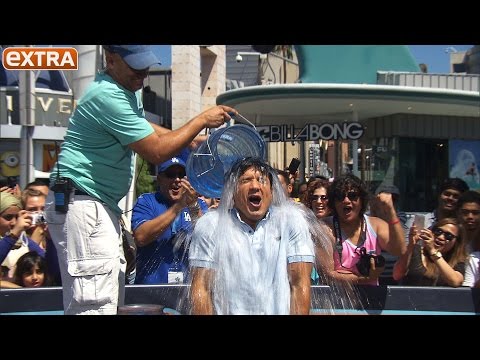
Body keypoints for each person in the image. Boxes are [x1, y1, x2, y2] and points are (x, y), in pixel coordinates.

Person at [44, 45, 237, 315]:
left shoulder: (124, 91)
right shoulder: (107, 95)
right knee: (95, 306)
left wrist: (190, 139)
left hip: (92, 203)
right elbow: (155, 150)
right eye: (136, 65)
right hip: (84, 203)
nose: (143, 73)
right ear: (110, 60)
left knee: (105, 301)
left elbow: (143, 126)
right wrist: (200, 119)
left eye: (146, 64)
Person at [189, 157, 315, 315]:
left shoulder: (291, 221)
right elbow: (202, 288)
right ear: (232, 191)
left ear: (271, 190)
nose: (255, 186)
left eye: (261, 180)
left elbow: (300, 284)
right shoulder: (211, 224)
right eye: (246, 180)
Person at [316, 174, 406, 286]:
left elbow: (400, 250)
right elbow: (328, 275)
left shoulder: (375, 225)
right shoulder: (324, 229)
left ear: (362, 200)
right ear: (333, 202)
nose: (346, 200)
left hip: (371, 299)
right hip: (337, 301)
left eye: (352, 196)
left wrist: (390, 211)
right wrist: (364, 278)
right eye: (340, 196)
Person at [131, 156, 207, 284]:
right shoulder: (147, 201)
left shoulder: (198, 204)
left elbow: (208, 241)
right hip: (150, 293)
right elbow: (141, 237)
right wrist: (178, 207)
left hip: (186, 290)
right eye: (170, 174)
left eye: (181, 175)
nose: (177, 180)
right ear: (159, 179)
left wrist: (193, 205)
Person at [393, 218, 467, 287]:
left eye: (448, 236)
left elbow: (455, 281)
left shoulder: (457, 261)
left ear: (456, 242)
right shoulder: (415, 250)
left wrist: (433, 251)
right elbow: (397, 274)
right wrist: (411, 245)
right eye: (438, 231)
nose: (441, 237)